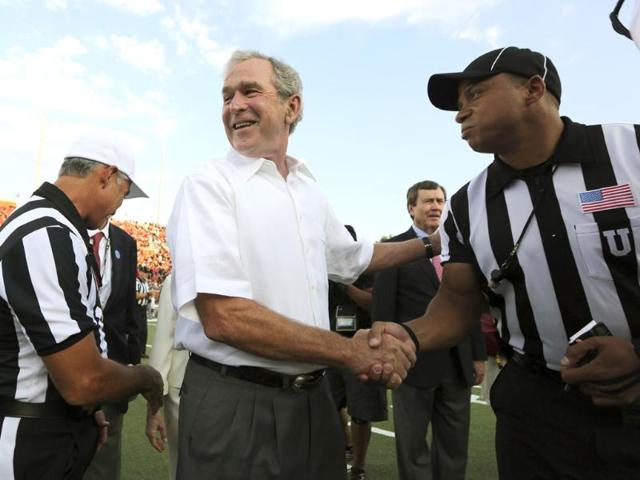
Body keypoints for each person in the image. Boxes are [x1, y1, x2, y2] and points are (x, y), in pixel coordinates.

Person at [369, 46, 640, 479]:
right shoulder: (466, 204)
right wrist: (406, 335)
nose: (461, 114)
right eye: (459, 105)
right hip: (537, 410)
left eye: (474, 94)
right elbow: (456, 304)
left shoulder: (631, 152)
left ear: (533, 89)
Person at [167, 50, 430, 479]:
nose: (235, 105)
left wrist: (433, 245)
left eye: (250, 91)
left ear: (292, 106)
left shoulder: (307, 187)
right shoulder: (209, 184)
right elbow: (224, 318)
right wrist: (350, 350)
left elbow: (355, 258)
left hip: (313, 400)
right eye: (227, 96)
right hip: (236, 398)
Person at [0, 132, 163, 480]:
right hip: (28, 442)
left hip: (46, 428)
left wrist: (87, 412)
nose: (121, 204)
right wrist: (146, 378)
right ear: (106, 175)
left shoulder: (54, 227)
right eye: (124, 191)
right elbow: (83, 380)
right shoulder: (46, 232)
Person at [372, 180, 486, 480]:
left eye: (439, 201)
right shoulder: (393, 250)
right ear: (411, 208)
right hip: (412, 364)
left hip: (458, 365)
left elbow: (470, 303)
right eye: (428, 201)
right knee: (412, 446)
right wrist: (385, 355)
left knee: (454, 446)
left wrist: (477, 355)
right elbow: (383, 311)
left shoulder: (461, 248)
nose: (435, 206)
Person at [327, 226, 387, 480]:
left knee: (361, 413)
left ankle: (358, 469)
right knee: (327, 407)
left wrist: (347, 284)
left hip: (361, 349)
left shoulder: (368, 269)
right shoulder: (322, 271)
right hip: (328, 348)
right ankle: (340, 452)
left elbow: (374, 304)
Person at [84, 220, 141, 480]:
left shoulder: (125, 243)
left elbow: (130, 307)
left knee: (104, 463)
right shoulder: (63, 230)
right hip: (64, 367)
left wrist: (132, 360)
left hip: (111, 369)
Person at [145, 274, 188, 480]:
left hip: (185, 391)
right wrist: (154, 406)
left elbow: (163, 342)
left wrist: (153, 408)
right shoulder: (178, 278)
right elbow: (163, 342)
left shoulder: (179, 277)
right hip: (183, 392)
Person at [135, 268, 151, 358]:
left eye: (146, 273)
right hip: (137, 308)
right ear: (140, 272)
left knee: (144, 331)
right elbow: (136, 295)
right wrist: (148, 294)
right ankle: (137, 351)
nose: (145, 274)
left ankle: (142, 351)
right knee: (138, 330)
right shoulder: (136, 282)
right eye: (144, 272)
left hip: (143, 308)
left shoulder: (145, 283)